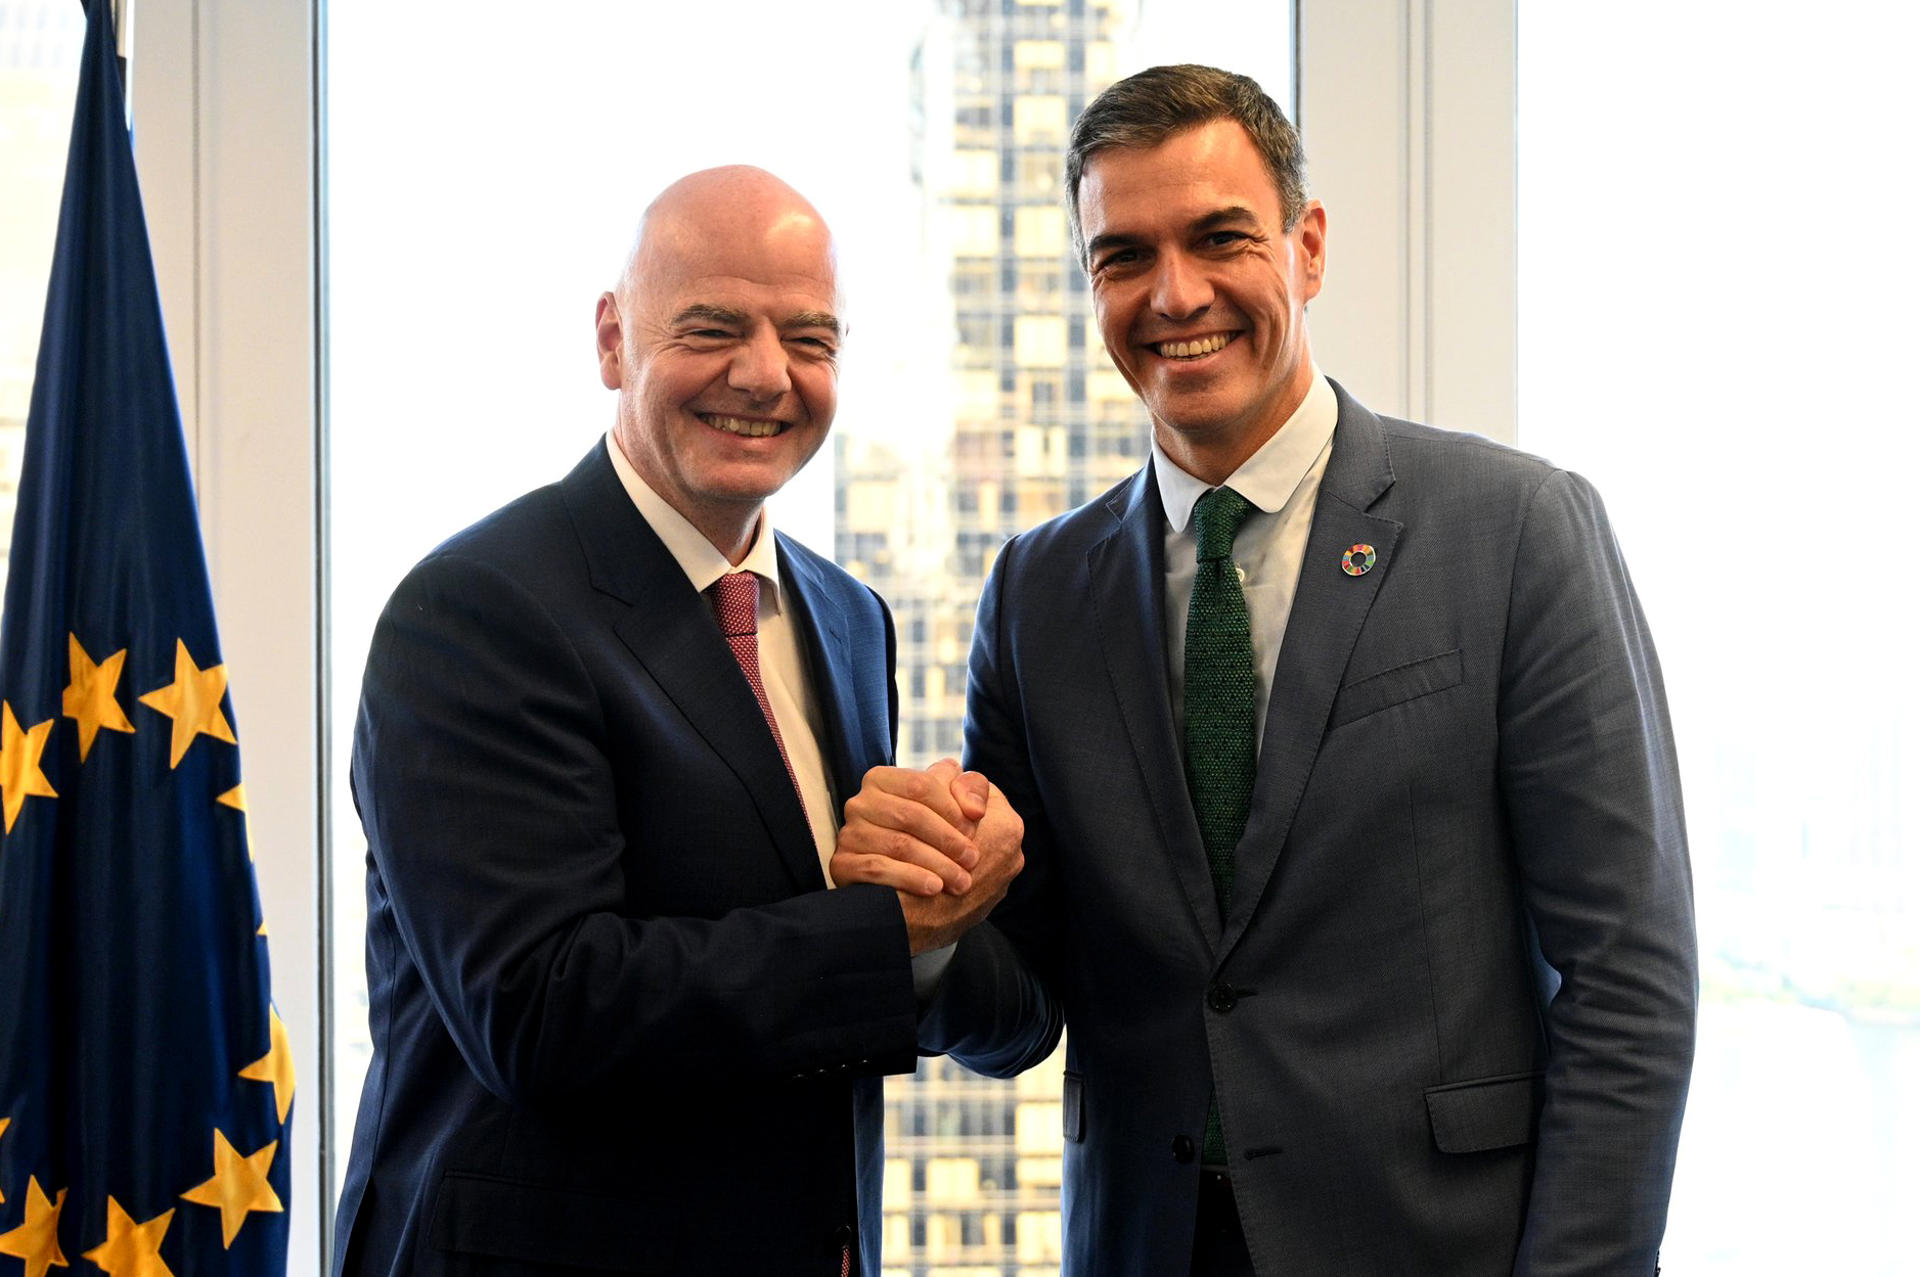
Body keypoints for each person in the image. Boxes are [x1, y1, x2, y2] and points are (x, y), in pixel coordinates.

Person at [839, 65, 1697, 1276]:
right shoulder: (1038, 591)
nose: (1174, 292)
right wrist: (922, 922)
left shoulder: (1517, 529)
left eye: (1218, 237)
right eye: (1123, 255)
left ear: (1307, 246)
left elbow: (1629, 973)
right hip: (1144, 1243)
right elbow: (1018, 1005)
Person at [332, 166, 1032, 1277]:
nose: (765, 374)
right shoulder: (474, 609)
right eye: (713, 328)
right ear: (612, 341)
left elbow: (919, 973)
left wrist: (948, 897)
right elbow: (545, 1011)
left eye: (810, 338)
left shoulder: (849, 618)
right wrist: (888, 928)